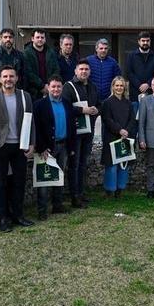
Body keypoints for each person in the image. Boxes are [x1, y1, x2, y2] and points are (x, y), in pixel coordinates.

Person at [0, 66, 36, 232]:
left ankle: (18, 215)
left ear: (16, 78)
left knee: (19, 181)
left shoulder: (25, 96)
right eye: (5, 76)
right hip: (0, 146)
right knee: (0, 183)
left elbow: (31, 121)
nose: (8, 79)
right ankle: (2, 217)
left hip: (20, 145)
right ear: (0, 79)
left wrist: (32, 143)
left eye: (11, 76)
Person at [35, 76, 77, 219]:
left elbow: (72, 127)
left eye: (59, 86)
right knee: (44, 180)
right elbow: (36, 129)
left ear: (62, 88)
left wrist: (71, 147)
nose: (56, 89)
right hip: (46, 148)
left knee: (59, 176)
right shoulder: (40, 105)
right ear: (48, 87)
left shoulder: (67, 104)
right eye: (53, 86)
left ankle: (57, 206)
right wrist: (41, 147)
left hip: (64, 145)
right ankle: (42, 210)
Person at [62, 59, 100, 208]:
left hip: (88, 131)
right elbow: (65, 107)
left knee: (83, 163)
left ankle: (81, 193)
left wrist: (96, 109)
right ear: (76, 71)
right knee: (74, 164)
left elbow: (98, 103)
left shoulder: (92, 86)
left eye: (86, 69)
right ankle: (74, 196)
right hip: (75, 132)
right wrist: (82, 110)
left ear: (90, 72)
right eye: (81, 69)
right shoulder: (68, 87)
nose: (84, 71)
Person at [100, 76, 138, 198]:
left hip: (125, 137)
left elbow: (132, 119)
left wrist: (126, 131)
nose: (119, 88)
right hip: (111, 137)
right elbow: (107, 119)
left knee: (124, 165)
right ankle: (109, 190)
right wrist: (119, 130)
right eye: (117, 85)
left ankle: (120, 189)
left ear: (124, 87)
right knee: (111, 166)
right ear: (113, 87)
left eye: (121, 85)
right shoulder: (107, 102)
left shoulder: (128, 103)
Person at [126, 31, 154, 113]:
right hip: (135, 94)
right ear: (138, 41)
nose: (145, 43)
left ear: (150, 41)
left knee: (151, 118)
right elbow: (129, 73)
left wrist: (148, 84)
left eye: (147, 41)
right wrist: (139, 85)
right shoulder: (131, 56)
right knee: (136, 118)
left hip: (152, 94)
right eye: (143, 41)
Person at [23, 28, 60, 102]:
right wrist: (42, 86)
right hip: (33, 91)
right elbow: (28, 72)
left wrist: (50, 84)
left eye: (42, 37)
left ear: (45, 39)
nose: (40, 39)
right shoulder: (26, 53)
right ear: (32, 39)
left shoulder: (51, 52)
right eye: (37, 37)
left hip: (50, 90)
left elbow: (56, 69)